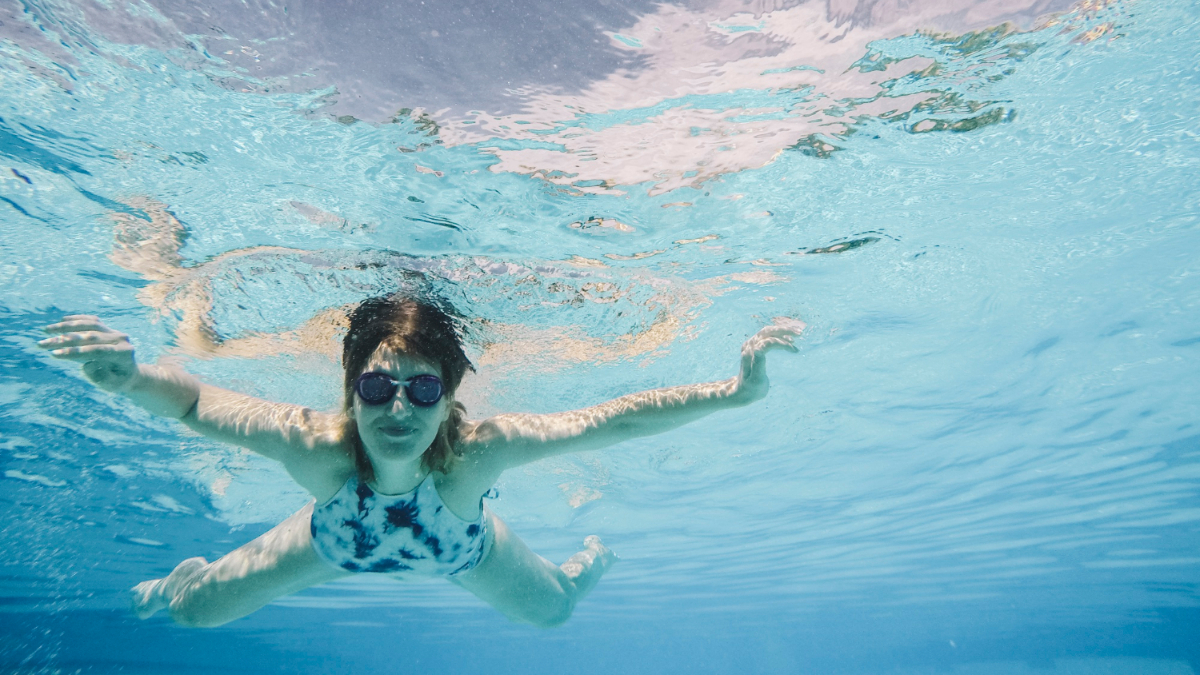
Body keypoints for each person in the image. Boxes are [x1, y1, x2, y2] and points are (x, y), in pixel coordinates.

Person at [37, 296, 803, 628]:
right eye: (376, 386)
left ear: (449, 398)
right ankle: (184, 572)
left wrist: (734, 393)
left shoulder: (475, 456)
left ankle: (582, 566)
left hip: (463, 549)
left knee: (557, 611)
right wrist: (129, 377)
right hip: (328, 539)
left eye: (422, 387)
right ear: (351, 391)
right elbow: (197, 404)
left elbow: (615, 418)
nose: (397, 410)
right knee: (192, 612)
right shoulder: (319, 446)